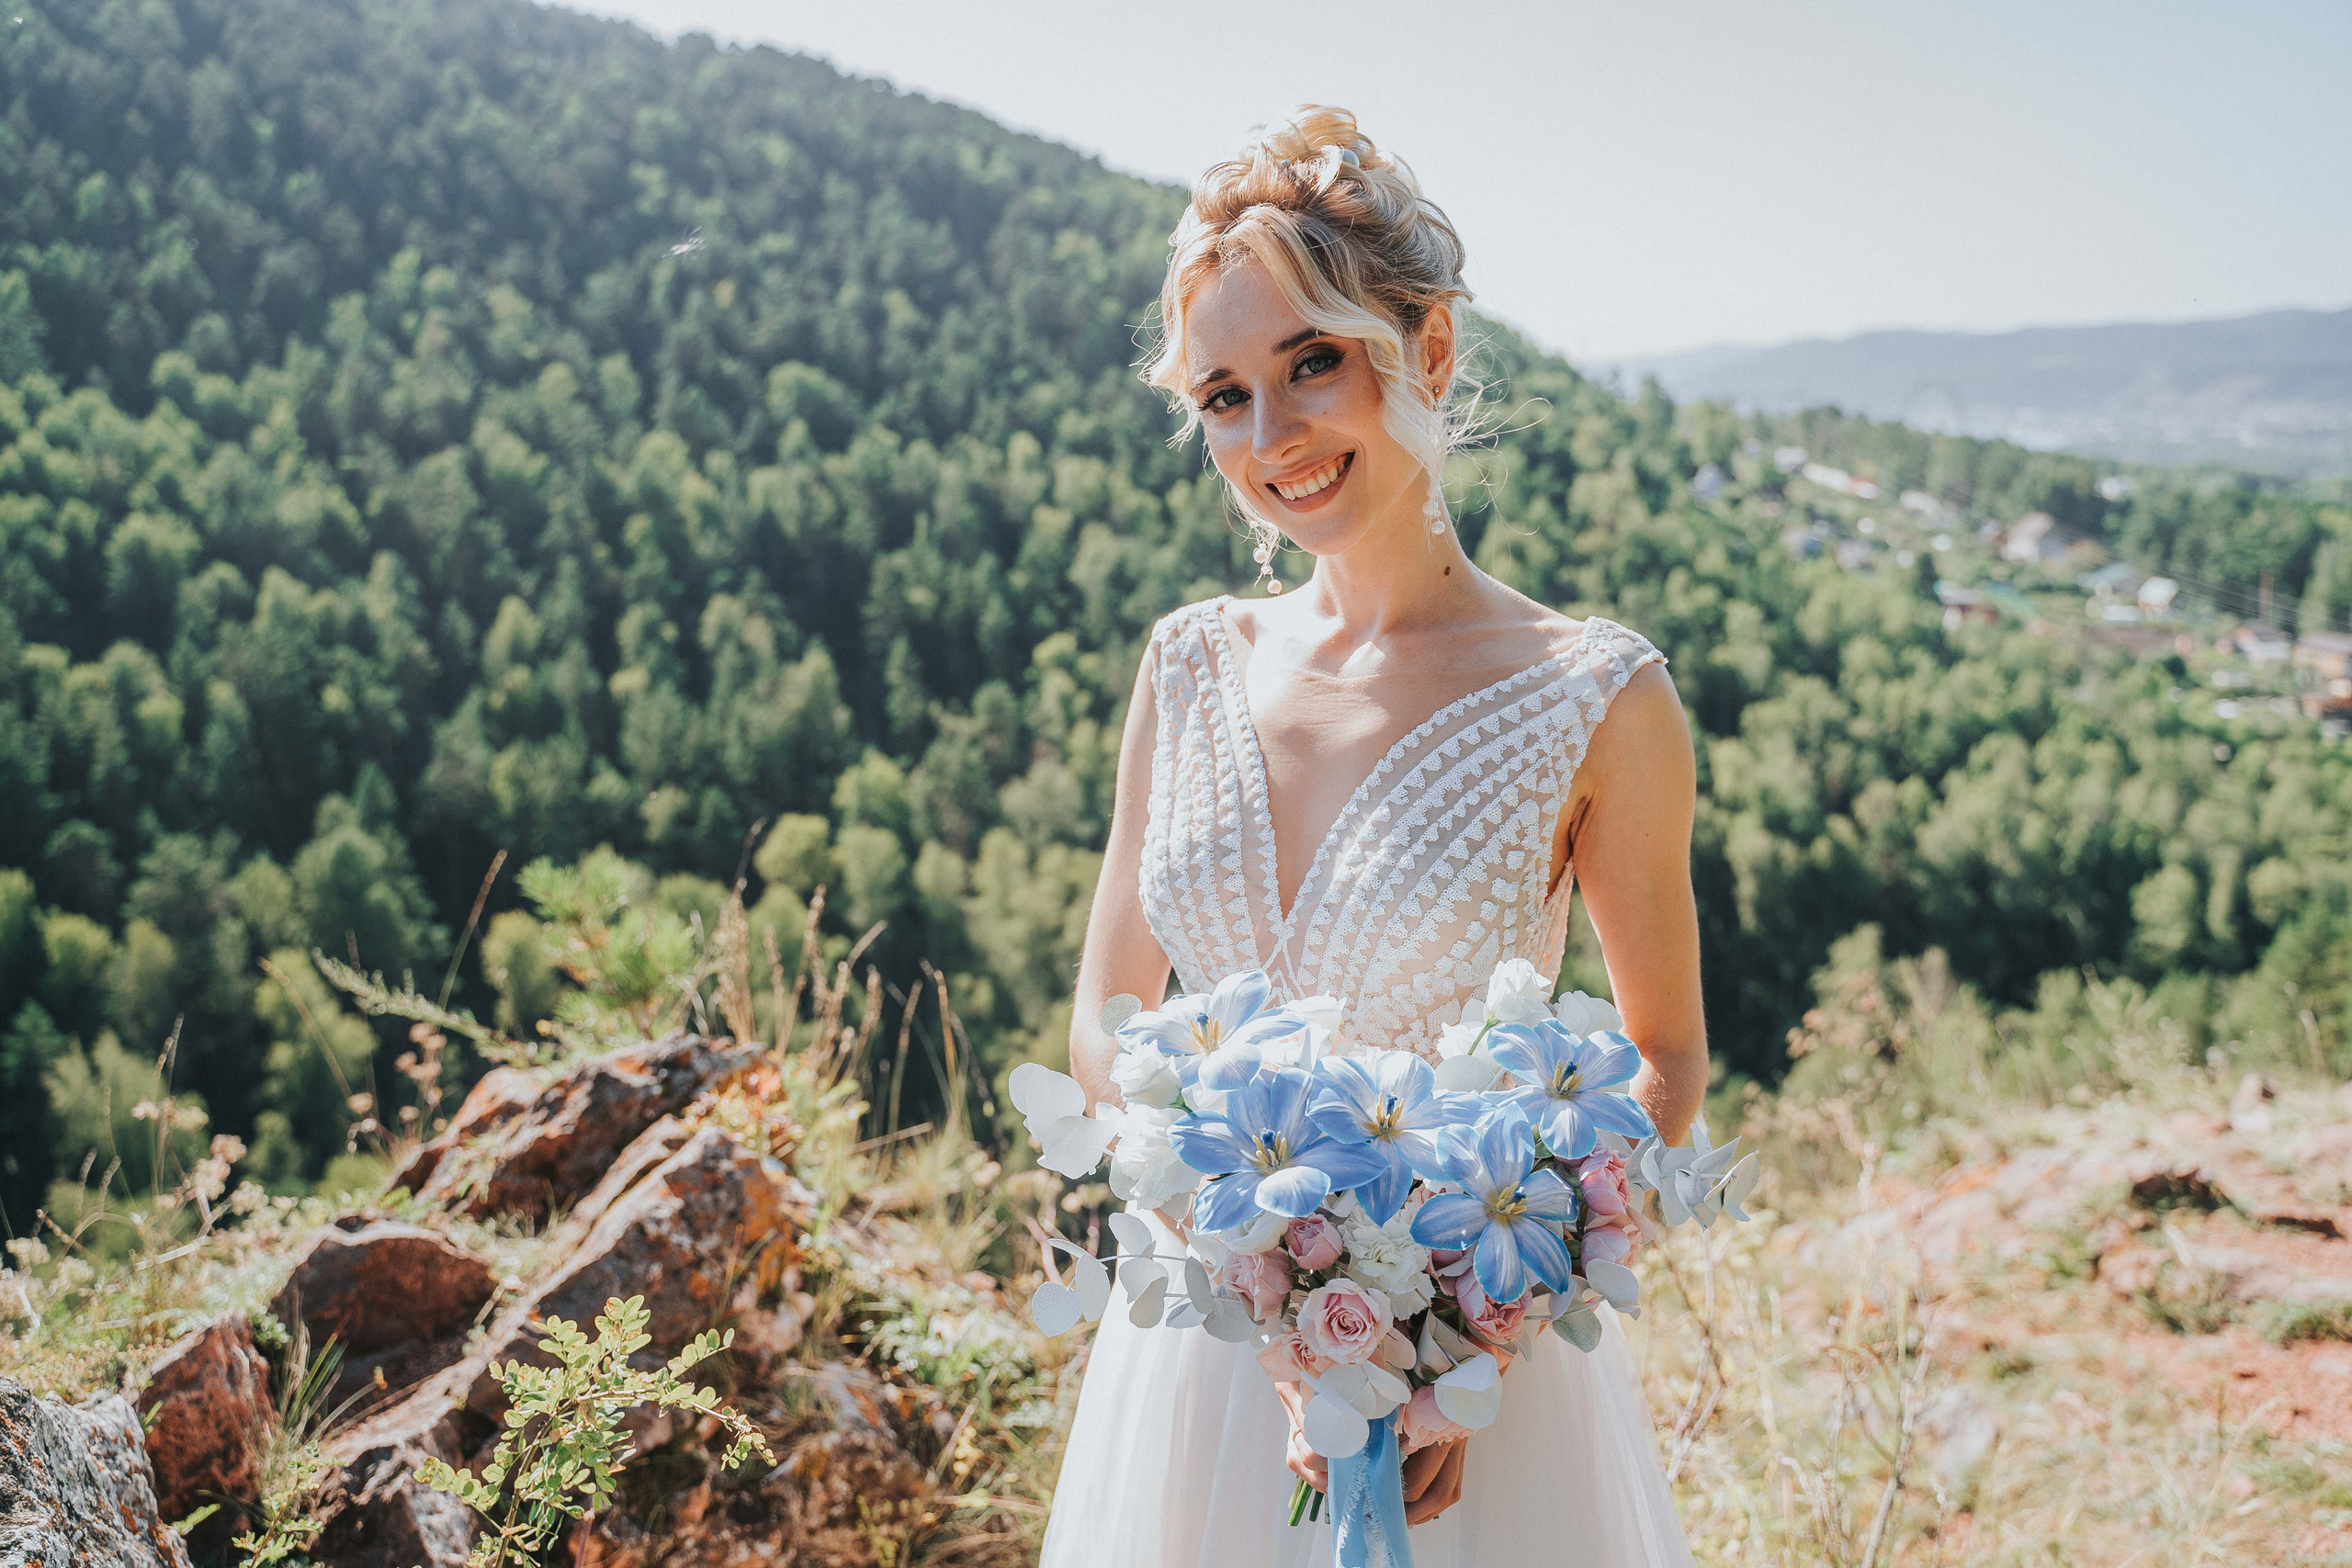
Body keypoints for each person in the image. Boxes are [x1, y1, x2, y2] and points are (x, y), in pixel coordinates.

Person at [1038, 106, 1707, 1568]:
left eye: (1313, 363)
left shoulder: (1595, 698)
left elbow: (1661, 1065)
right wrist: (1262, 1271)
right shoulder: (1188, 663)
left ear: (1434, 351)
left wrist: (1461, 1344)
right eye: (1223, 396)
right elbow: (1106, 1014)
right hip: (1199, 1356)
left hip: (1469, 1397)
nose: (1271, 439)